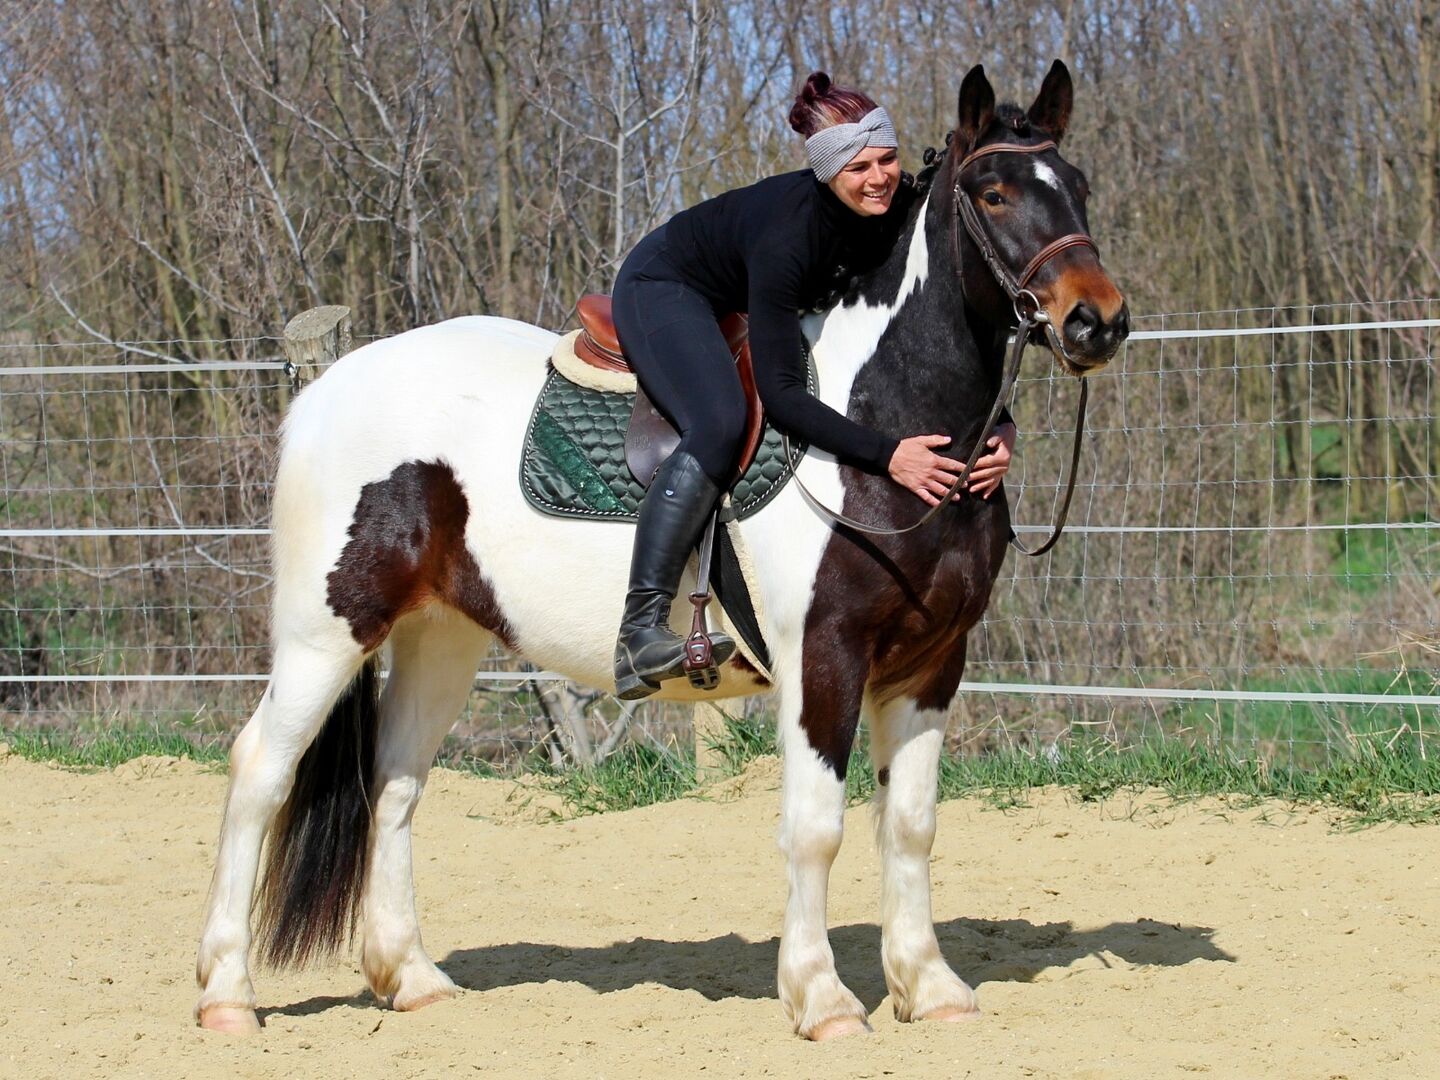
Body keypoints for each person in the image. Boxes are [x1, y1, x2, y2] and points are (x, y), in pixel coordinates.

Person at [611, 72, 1017, 700]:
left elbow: (943, 337)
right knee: (719, 422)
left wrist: (1002, 427)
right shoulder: (788, 239)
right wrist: (889, 456)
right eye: (859, 167)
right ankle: (639, 632)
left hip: (739, 282)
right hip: (667, 286)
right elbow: (781, 398)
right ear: (828, 173)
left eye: (887, 158)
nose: (880, 178)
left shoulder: (894, 207)